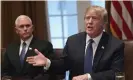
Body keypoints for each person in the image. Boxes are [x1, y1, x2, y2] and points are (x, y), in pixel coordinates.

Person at [26, 5, 124, 80]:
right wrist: (47, 62)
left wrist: (89, 77)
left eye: (94, 18)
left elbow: (117, 73)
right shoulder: (73, 41)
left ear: (104, 23)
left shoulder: (115, 45)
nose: (89, 22)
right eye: (87, 18)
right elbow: (64, 64)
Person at [2, 15, 55, 80]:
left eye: (27, 26)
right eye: (21, 26)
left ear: (32, 28)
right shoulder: (10, 47)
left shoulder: (45, 45)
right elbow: (5, 72)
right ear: (16, 30)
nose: (25, 29)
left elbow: (49, 71)